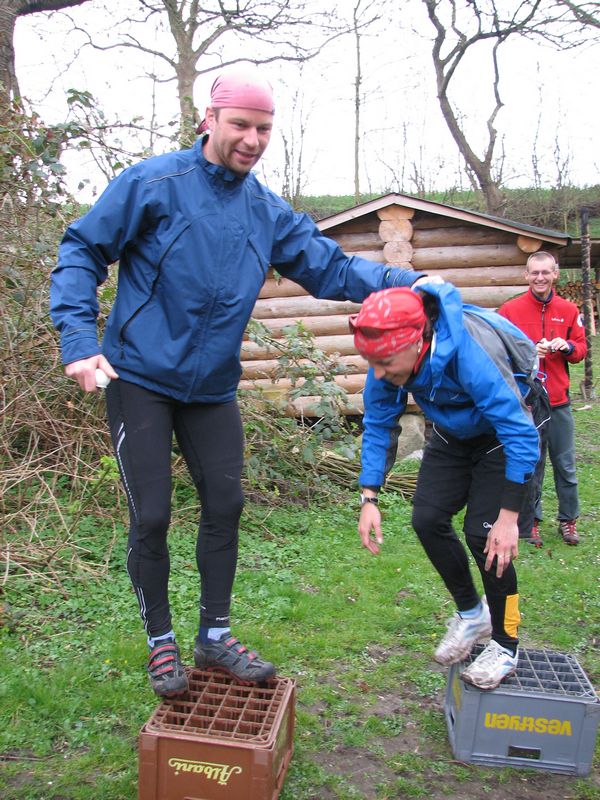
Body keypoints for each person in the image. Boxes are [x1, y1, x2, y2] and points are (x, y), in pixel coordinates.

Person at [49, 66, 428, 698]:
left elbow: (330, 269)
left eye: (264, 128)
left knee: (226, 505)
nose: (252, 139)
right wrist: (79, 341)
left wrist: (407, 283)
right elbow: (82, 248)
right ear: (210, 121)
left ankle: (214, 635)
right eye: (241, 125)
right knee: (153, 515)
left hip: (212, 388)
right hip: (138, 375)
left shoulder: (266, 211)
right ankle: (160, 642)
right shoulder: (154, 184)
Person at [352, 283, 549, 690]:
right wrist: (369, 495)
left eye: (385, 362)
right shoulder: (389, 361)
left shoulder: (469, 354)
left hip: (505, 432)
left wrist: (510, 516)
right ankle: (472, 613)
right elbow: (377, 423)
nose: (379, 373)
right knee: (427, 518)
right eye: (371, 362)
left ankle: (505, 646)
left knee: (485, 535)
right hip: (454, 431)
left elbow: (519, 432)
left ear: (418, 343)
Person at [498, 251, 587, 547]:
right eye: (535, 273)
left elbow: (581, 350)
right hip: (527, 402)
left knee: (565, 463)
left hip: (558, 400)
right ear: (526, 276)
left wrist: (567, 346)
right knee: (530, 462)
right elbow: (497, 352)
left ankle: (569, 520)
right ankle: (531, 521)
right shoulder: (510, 311)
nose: (540, 278)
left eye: (545, 272)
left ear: (555, 274)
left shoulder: (569, 309)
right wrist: (526, 354)